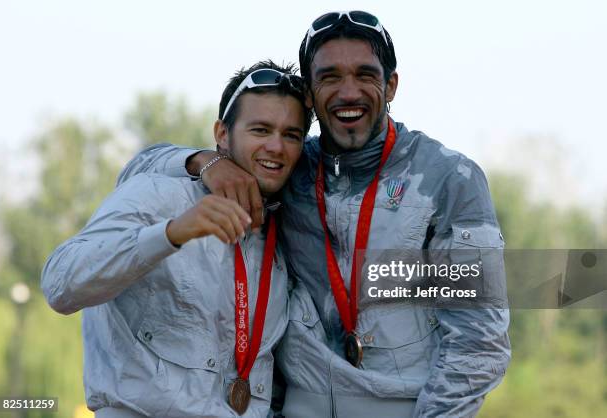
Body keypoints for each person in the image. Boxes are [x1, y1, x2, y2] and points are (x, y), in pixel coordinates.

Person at [118, 11, 511, 418]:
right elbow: (135, 169)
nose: (348, 92)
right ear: (308, 93)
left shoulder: (448, 177)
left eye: (364, 75)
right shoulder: (288, 168)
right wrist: (203, 161)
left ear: (391, 85)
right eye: (329, 77)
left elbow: (479, 340)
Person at [41, 60, 312, 418]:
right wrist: (171, 234)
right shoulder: (158, 196)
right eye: (260, 130)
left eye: (291, 135)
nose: (277, 147)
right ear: (222, 134)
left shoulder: (283, 232)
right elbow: (60, 284)